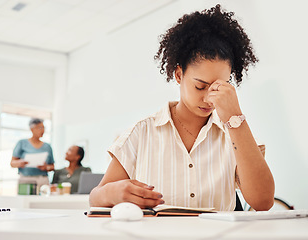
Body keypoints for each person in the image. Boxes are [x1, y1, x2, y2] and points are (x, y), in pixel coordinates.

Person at [90, 4, 275, 211]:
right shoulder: (142, 133)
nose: (209, 99)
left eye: (218, 88)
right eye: (200, 86)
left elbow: (263, 202)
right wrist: (112, 192)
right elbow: (95, 198)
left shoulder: (233, 134)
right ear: (179, 75)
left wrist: (235, 118)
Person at [10, 118, 55, 194]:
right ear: (32, 129)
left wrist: (46, 167)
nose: (43, 130)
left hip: (42, 180)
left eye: (44, 128)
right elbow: (12, 163)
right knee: (24, 202)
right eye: (40, 128)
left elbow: (52, 166)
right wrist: (20, 163)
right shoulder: (22, 143)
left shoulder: (47, 147)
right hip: (26, 179)